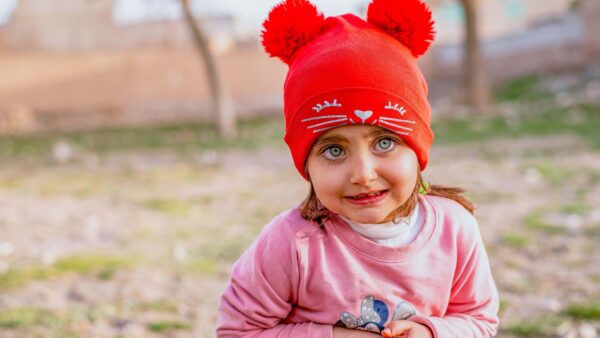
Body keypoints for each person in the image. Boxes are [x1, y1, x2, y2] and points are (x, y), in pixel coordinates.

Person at [216, 0, 499, 337]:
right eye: (334, 150)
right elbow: (238, 332)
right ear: (306, 164)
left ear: (418, 149)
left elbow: (479, 321)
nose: (363, 174)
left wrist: (430, 332)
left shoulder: (456, 230)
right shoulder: (291, 243)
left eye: (384, 143)